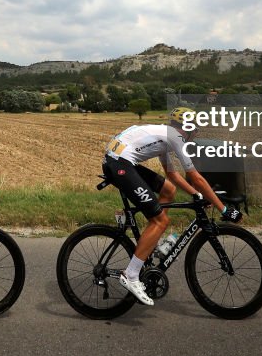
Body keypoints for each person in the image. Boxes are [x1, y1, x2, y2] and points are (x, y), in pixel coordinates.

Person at [102, 106, 243, 306]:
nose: (196, 133)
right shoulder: (175, 138)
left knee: (168, 190)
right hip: (119, 164)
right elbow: (196, 177)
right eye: (196, 129)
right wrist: (225, 209)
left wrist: (196, 194)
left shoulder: (166, 136)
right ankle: (131, 275)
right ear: (188, 128)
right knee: (161, 220)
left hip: (119, 160)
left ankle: (152, 240)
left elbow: (173, 176)